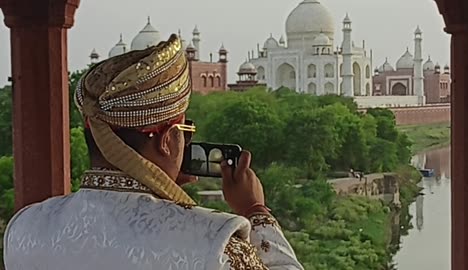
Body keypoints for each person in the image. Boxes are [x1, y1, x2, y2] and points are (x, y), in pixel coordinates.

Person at [3, 34, 303, 270]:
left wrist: (162, 193)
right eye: (185, 133)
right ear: (167, 140)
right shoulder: (213, 242)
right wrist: (256, 212)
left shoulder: (27, 228)